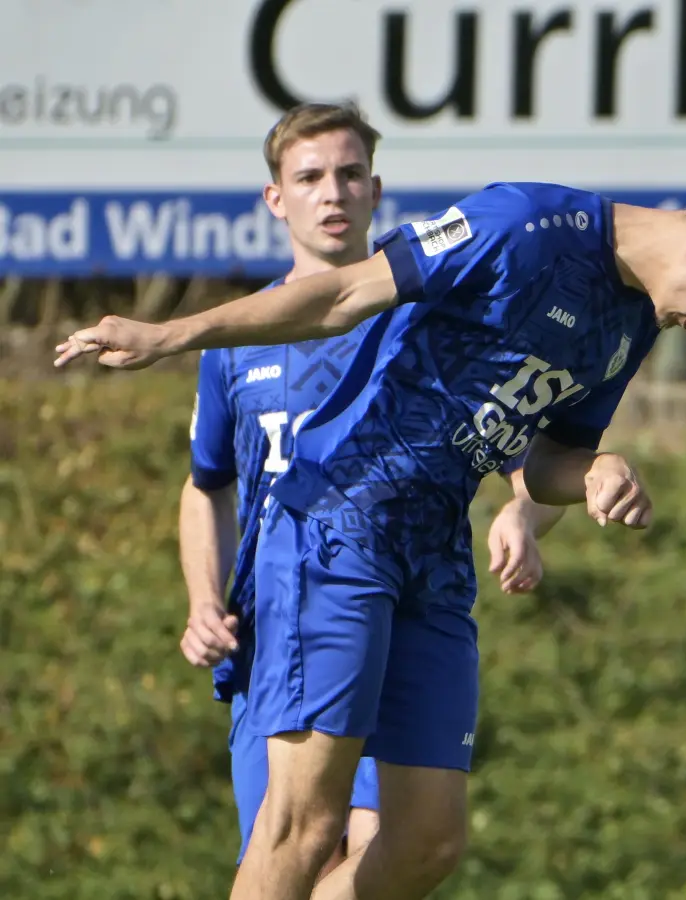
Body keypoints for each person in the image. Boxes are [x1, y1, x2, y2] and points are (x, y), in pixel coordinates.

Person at [56, 164, 686, 899]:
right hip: (341, 521)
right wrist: (172, 335)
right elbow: (342, 297)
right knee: (304, 824)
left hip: (433, 559)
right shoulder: (525, 224)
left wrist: (593, 471)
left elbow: (543, 461)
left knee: (428, 840)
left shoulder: (632, 322)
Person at [175, 101, 565, 881]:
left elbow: (531, 456)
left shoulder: (424, 321)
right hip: (278, 628)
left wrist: (523, 515)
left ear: (376, 189)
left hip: (391, 614)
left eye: (350, 174)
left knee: (394, 845)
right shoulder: (240, 340)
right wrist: (201, 598)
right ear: (275, 198)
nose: (334, 193)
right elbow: (204, 485)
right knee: (293, 848)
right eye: (310, 177)